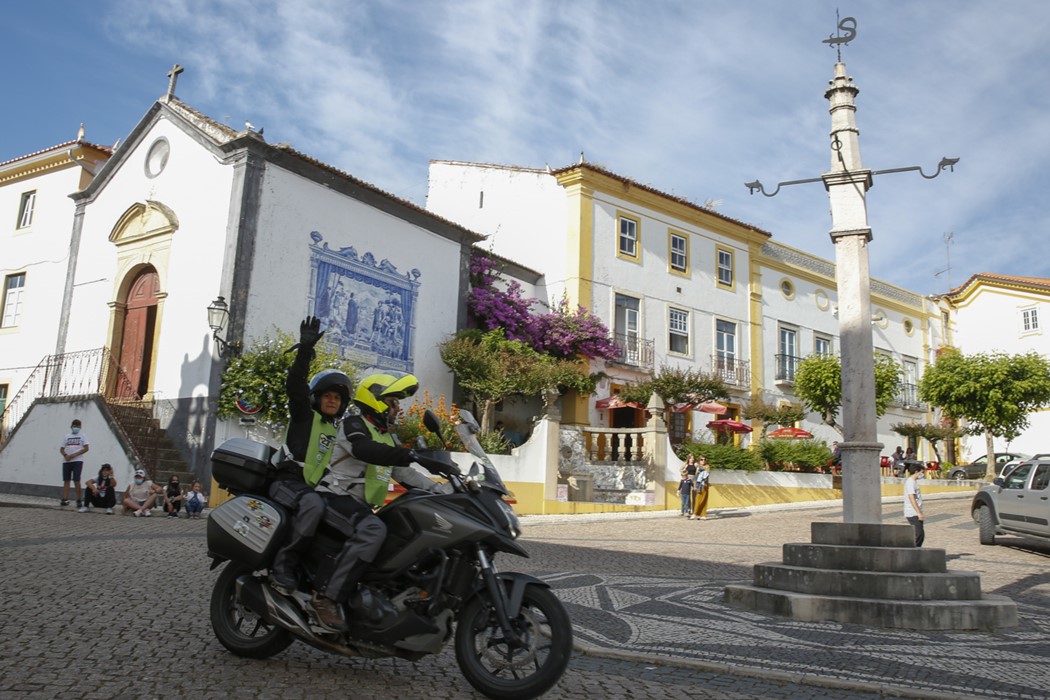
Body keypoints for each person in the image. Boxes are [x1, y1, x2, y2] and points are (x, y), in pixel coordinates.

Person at [313, 373, 447, 628]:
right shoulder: (354, 424)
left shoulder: (387, 435)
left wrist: (442, 489)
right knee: (373, 530)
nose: (398, 408)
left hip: (360, 505)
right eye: (393, 401)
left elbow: (405, 474)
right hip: (334, 496)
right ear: (375, 400)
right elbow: (364, 450)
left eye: (397, 402)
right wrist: (411, 454)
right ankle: (325, 598)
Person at [266, 317, 349, 632]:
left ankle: (320, 589)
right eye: (328, 395)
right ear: (317, 397)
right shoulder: (304, 415)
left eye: (337, 398)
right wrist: (305, 350)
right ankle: (282, 565)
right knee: (314, 505)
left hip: (311, 490)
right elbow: (295, 385)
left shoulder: (336, 430)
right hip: (286, 482)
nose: (332, 400)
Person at [60, 418, 90, 509]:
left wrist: (75, 455)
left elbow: (86, 448)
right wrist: (65, 455)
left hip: (77, 461)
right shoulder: (66, 436)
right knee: (66, 480)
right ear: (71, 426)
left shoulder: (83, 436)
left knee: (76, 480)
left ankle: (78, 500)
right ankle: (65, 499)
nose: (76, 427)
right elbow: (61, 448)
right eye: (74, 426)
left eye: (78, 426)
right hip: (67, 461)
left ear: (80, 427)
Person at [903, 462, 925, 546]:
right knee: (919, 535)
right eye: (921, 472)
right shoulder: (910, 482)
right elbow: (911, 497)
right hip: (912, 512)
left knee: (920, 534)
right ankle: (913, 552)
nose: (922, 474)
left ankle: (916, 552)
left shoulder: (914, 482)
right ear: (916, 472)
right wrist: (918, 512)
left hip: (916, 512)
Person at [690, 456, 711, 520]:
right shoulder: (697, 467)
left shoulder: (707, 466)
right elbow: (695, 477)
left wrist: (699, 467)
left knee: (704, 500)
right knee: (698, 499)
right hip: (699, 485)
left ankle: (703, 515)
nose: (703, 461)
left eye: (704, 459)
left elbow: (706, 473)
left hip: (704, 485)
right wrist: (695, 486)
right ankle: (695, 513)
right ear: (699, 460)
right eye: (701, 459)